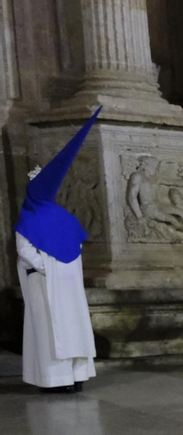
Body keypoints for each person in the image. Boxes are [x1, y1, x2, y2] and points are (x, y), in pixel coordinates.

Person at [15, 110, 99, 394]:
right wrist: (61, 267)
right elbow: (75, 246)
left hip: (45, 282)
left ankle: (55, 380)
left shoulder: (28, 217)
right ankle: (76, 377)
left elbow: (24, 249)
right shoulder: (64, 216)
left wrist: (45, 267)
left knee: (49, 330)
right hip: (68, 283)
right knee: (71, 325)